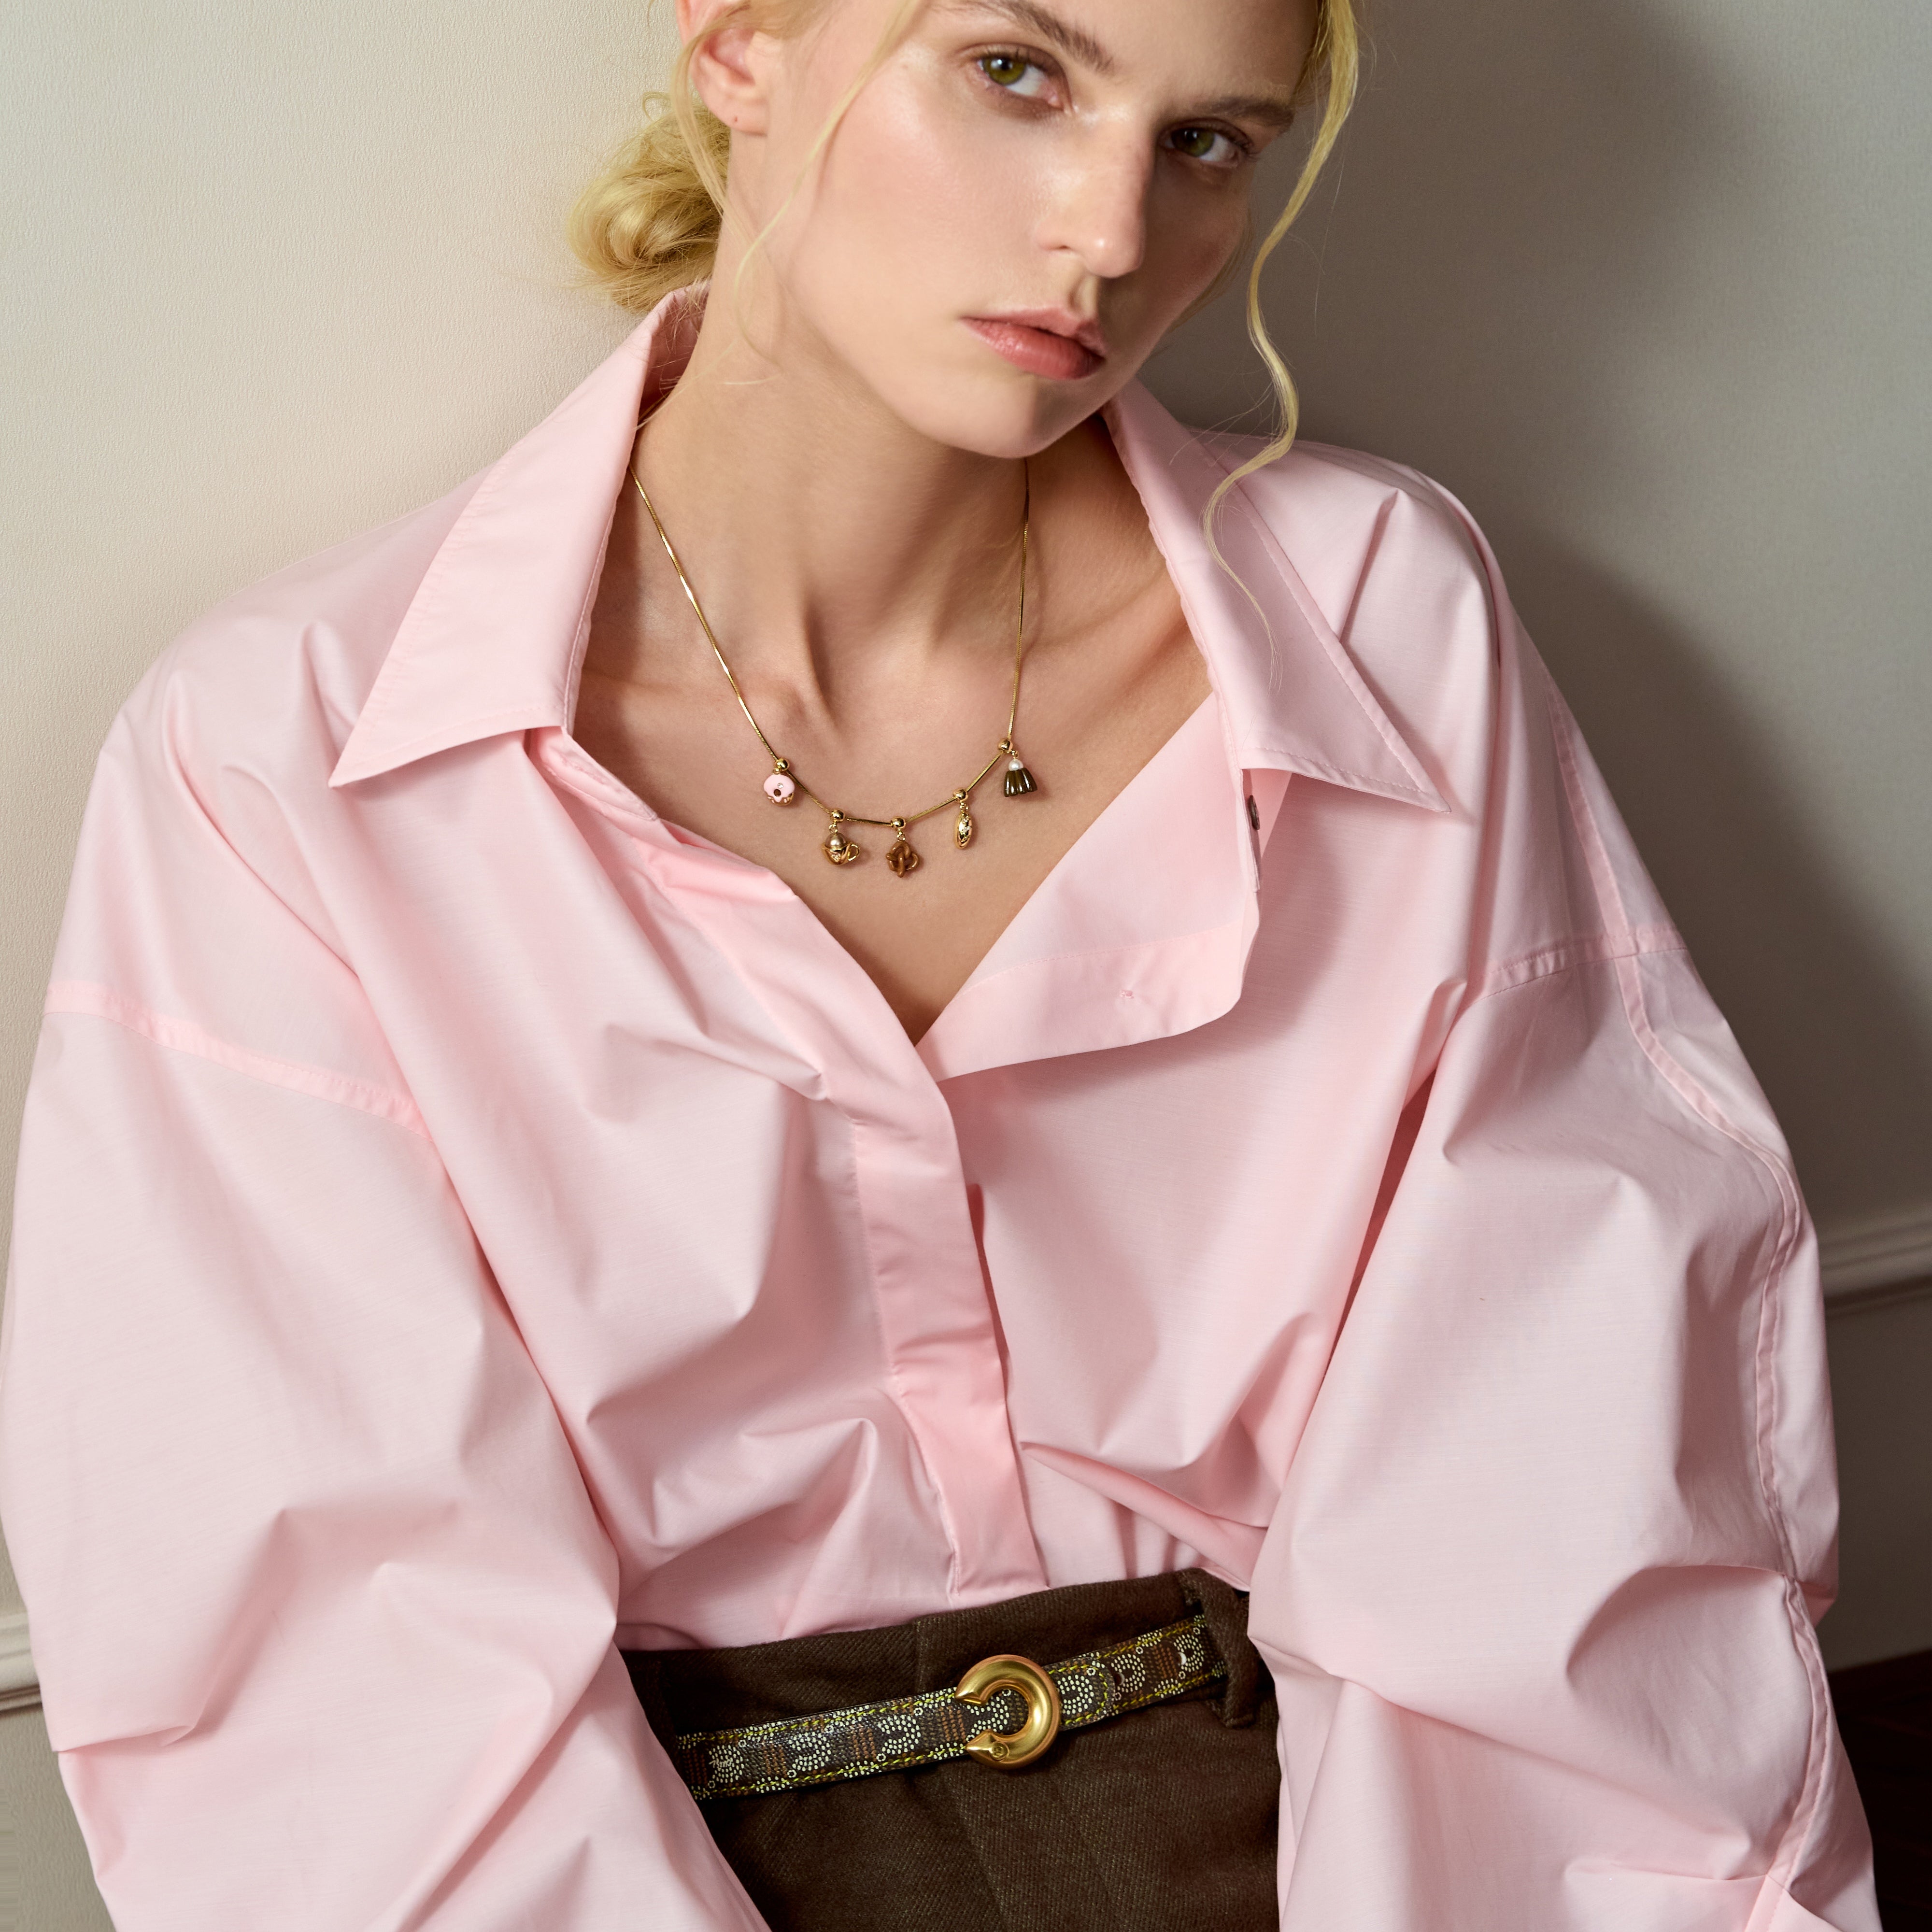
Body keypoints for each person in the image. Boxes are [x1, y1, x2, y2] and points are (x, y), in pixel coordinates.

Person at [0, 0, 1881, 1925]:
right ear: (740, 44)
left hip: (1328, 1836)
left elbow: (1553, 1472)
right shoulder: (287, 755)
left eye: (1209, 141)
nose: (1108, 231)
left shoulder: (1384, 621)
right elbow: (326, 1652)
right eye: (1019, 73)